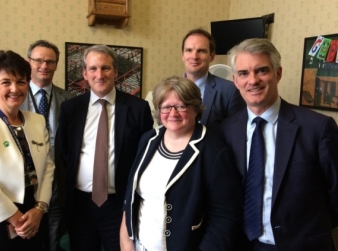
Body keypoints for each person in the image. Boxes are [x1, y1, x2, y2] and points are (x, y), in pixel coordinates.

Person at [220, 38, 338, 251]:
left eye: (262, 70)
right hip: (245, 245)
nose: (253, 80)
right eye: (244, 73)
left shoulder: (317, 128)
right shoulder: (226, 130)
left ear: (278, 73)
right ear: (235, 80)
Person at [120, 76, 243, 251]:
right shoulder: (148, 140)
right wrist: (126, 241)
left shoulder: (214, 151)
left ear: (195, 108)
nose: (173, 113)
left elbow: (225, 218)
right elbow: (131, 194)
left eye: (181, 106)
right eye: (166, 107)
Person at [58, 44, 153, 250]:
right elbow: (63, 153)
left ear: (116, 71)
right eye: (93, 69)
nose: (99, 74)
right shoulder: (70, 109)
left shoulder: (138, 109)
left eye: (105, 68)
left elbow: (145, 157)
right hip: (80, 204)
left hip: (119, 205)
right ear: (84, 73)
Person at [0, 50, 55, 250]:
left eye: (21, 82)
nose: (15, 89)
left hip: (33, 214)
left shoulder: (37, 121)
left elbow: (48, 168)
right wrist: (17, 219)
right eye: (6, 82)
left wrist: (40, 208)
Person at [20, 39, 75, 251]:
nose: (44, 66)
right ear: (28, 62)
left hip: (57, 184)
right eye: (39, 60)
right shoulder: (15, 97)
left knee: (54, 238)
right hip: (24, 183)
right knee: (26, 238)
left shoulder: (69, 100)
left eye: (50, 62)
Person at [181, 28, 245, 130]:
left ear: (212, 56)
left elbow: (236, 134)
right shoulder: (170, 90)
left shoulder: (230, 91)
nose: (194, 56)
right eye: (189, 50)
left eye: (201, 51)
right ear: (183, 55)